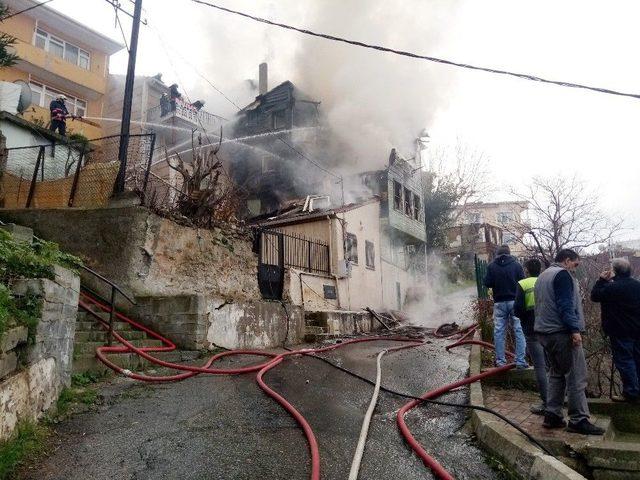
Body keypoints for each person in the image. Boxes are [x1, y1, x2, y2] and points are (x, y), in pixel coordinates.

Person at [535, 249, 604, 435]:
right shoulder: (562, 275)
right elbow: (565, 305)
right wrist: (574, 330)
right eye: (576, 263)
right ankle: (579, 420)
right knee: (576, 376)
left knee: (557, 373)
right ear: (567, 261)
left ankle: (552, 415)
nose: (576, 268)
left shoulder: (543, 276)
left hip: (544, 333)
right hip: (561, 333)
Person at [590, 258, 640, 403]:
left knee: (625, 360)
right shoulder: (637, 286)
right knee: (637, 359)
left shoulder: (612, 288)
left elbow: (595, 296)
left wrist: (601, 280)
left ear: (615, 271)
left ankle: (631, 392)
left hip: (620, 331)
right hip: (637, 329)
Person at [483, 245, 528, 368]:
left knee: (499, 332)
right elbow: (523, 282)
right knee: (519, 330)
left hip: (499, 303)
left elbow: (487, 282)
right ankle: (520, 361)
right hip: (515, 302)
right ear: (509, 253)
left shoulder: (492, 266)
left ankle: (500, 362)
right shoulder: (517, 265)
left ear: (498, 254)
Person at [514, 258, 548, 415]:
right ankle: (559, 398)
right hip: (550, 328)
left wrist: (525, 319)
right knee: (553, 366)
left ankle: (547, 402)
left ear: (527, 270)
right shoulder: (547, 281)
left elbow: (518, 309)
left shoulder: (523, 284)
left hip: (531, 329)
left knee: (540, 367)